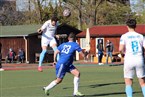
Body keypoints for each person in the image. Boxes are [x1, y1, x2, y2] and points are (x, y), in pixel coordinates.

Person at [119, 19, 145, 97]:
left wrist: (123, 53)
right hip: (139, 59)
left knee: (128, 82)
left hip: (129, 59)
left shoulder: (124, 36)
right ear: (135, 26)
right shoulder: (141, 36)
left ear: (127, 26)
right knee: (143, 83)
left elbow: (120, 49)